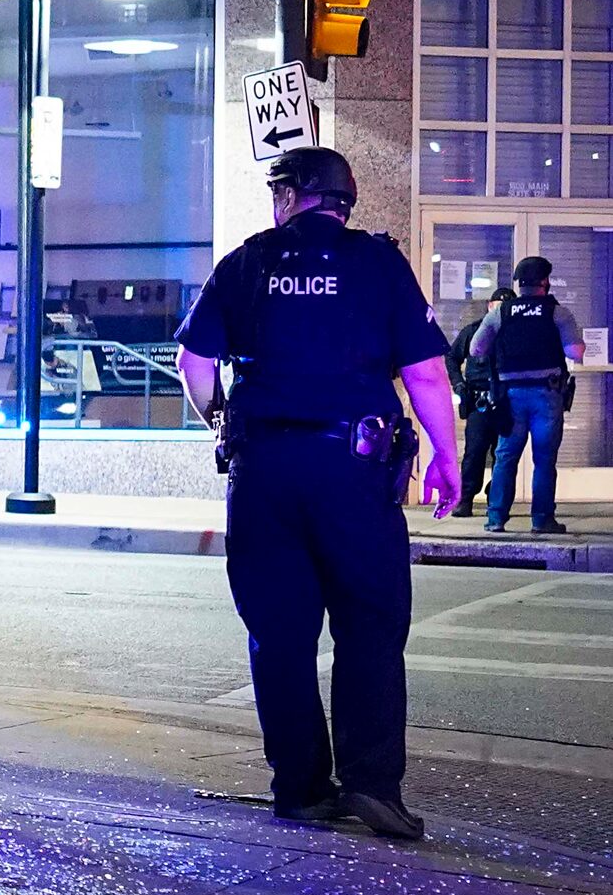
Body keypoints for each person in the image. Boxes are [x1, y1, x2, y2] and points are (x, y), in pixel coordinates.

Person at [175, 147, 459, 842]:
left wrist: (219, 419)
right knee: (370, 624)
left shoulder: (248, 261)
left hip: (265, 470)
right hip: (353, 471)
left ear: (293, 196)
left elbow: (194, 361)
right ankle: (372, 787)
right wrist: (446, 456)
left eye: (279, 190)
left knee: (280, 635)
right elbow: (423, 373)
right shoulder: (377, 262)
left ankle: (300, 788)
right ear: (344, 200)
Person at [474, 255, 585, 535]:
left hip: (509, 397)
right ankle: (541, 520)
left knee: (505, 457)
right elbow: (576, 352)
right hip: (546, 395)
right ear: (544, 282)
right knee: (544, 459)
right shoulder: (556, 312)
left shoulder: (501, 312)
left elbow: (476, 349)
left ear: (519, 285)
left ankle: (496, 518)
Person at [445, 298, 510, 515]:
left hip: (507, 401)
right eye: (496, 304)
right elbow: (452, 358)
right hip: (479, 401)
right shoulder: (474, 331)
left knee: (504, 454)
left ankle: (497, 499)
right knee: (474, 452)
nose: (499, 309)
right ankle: (465, 499)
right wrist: (459, 384)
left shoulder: (517, 333)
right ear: (489, 305)